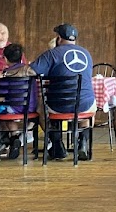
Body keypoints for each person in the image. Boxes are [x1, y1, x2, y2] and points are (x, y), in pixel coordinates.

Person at [31, 24, 95, 160]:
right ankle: (82, 141)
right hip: (83, 105)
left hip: (59, 106)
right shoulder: (86, 53)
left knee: (40, 109)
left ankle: (56, 143)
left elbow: (31, 71)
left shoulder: (52, 53)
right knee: (90, 106)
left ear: (58, 38)